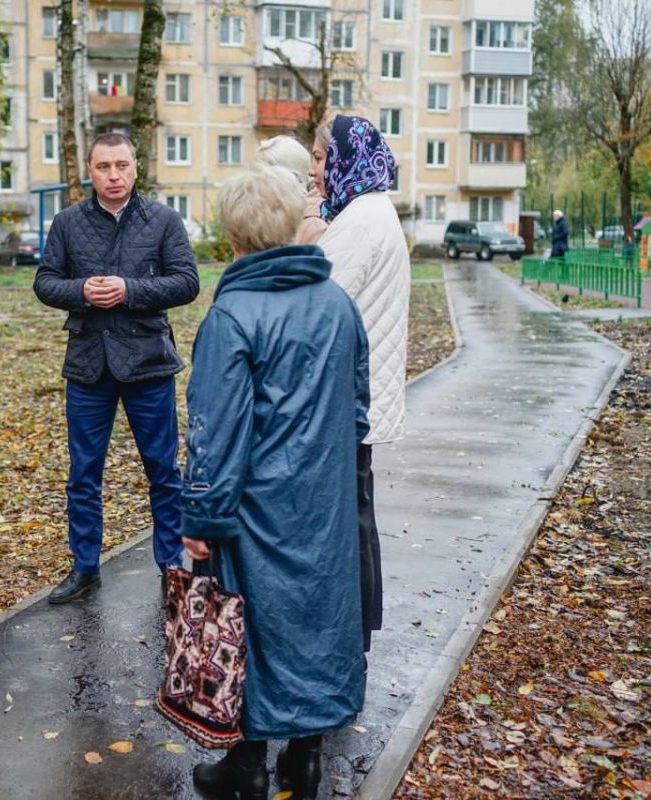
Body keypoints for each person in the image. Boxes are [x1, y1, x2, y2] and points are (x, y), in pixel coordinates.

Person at [181, 165, 371, 800]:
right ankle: (305, 762)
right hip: (326, 502)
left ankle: (247, 768)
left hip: (257, 509)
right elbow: (358, 407)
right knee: (316, 622)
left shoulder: (233, 315)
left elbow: (214, 431)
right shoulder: (338, 303)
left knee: (253, 625)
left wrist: (203, 518)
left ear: (233, 238)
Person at [33, 132, 200, 604]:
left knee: (163, 472)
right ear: (90, 169)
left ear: (135, 167)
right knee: (84, 474)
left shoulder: (163, 220)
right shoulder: (67, 223)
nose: (113, 175)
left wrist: (130, 290)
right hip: (88, 366)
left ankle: (170, 569)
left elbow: (187, 282)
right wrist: (82, 290)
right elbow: (45, 282)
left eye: (122, 166)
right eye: (104, 166)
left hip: (148, 364)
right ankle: (85, 568)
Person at [310, 115, 410, 654]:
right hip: (361, 391)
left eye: (323, 159)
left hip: (348, 396)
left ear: (346, 158)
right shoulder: (369, 210)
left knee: (351, 518)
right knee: (358, 510)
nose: (315, 171)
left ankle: (354, 632)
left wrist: (302, 236)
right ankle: (359, 627)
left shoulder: (360, 221)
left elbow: (315, 295)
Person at [255, 135, 327, 245]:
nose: (257, 188)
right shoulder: (264, 218)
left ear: (291, 180)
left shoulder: (313, 228)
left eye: (265, 180)